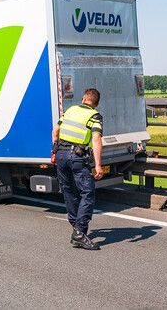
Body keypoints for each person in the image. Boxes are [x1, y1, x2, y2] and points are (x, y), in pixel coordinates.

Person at [52, 88, 105, 251]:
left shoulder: (69, 110)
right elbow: (96, 140)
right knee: (87, 193)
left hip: (61, 155)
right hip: (77, 157)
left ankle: (77, 228)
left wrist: (54, 151)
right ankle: (79, 232)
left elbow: (55, 132)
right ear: (96, 103)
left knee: (68, 191)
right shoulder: (95, 116)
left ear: (83, 99)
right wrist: (97, 165)